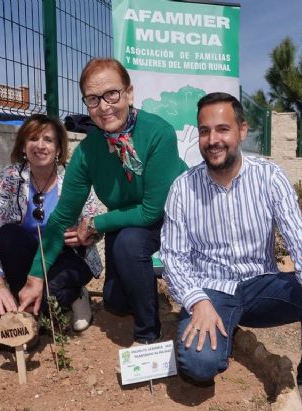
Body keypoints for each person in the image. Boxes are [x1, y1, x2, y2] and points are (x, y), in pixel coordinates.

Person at [160, 92, 302, 411]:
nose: (212, 140)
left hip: (261, 286)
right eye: (204, 131)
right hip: (211, 293)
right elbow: (173, 257)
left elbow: (299, 238)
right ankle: (221, 332)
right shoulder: (183, 188)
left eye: (222, 129)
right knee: (199, 366)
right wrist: (196, 301)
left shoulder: (269, 176)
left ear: (242, 130)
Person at [18, 58, 187, 344]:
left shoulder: (158, 132)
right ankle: (142, 288)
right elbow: (61, 218)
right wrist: (35, 278)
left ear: (129, 93)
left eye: (112, 94)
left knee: (129, 242)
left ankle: (149, 334)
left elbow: (150, 211)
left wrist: (96, 223)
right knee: (115, 302)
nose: (104, 106)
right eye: (93, 99)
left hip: (173, 216)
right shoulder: (87, 153)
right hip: (127, 219)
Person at [0, 114, 102, 332]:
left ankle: (76, 294)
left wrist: (85, 232)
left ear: (59, 148)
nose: (40, 145)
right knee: (6, 235)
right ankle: (27, 319)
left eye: (48, 139)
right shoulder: (11, 177)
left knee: (47, 295)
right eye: (33, 138)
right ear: (23, 146)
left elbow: (93, 218)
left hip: (68, 257)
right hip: (30, 260)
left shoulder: (74, 175)